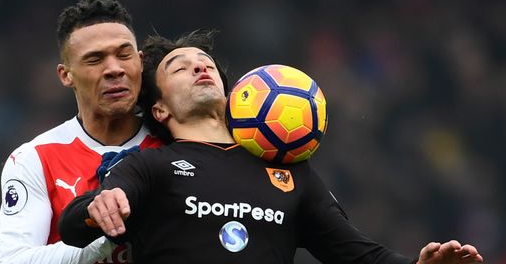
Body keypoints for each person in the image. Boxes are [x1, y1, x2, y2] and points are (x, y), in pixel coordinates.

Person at [58, 30, 484, 264]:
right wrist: (100, 206)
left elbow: (358, 255)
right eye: (179, 67)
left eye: (205, 64)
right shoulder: (150, 167)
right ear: (161, 108)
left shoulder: (292, 174)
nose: (199, 67)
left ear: (230, 96)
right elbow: (75, 226)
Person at [0, 0, 162, 264]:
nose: (114, 69)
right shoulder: (35, 158)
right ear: (66, 75)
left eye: (123, 54)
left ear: (140, 62)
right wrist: (104, 240)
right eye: (95, 60)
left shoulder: (175, 145)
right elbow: (12, 260)